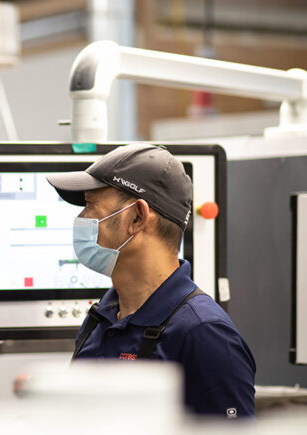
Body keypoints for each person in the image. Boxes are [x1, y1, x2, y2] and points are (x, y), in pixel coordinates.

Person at [46, 143, 256, 418]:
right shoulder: (102, 317)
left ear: (137, 217)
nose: (81, 218)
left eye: (90, 205)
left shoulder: (205, 335)